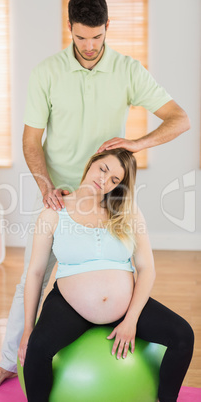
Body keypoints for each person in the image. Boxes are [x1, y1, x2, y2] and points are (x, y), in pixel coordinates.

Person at [0, 0, 190, 391]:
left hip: (108, 198)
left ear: (108, 27)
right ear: (69, 27)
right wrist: (44, 185)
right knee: (31, 281)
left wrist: (136, 142)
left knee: (125, 266)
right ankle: (10, 362)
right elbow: (30, 140)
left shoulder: (128, 70)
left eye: (96, 37)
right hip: (60, 200)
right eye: (80, 37)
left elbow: (180, 119)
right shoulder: (47, 72)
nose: (89, 45)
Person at [18, 148, 194, 402]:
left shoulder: (128, 211)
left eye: (115, 180)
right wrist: (27, 329)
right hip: (69, 305)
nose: (104, 180)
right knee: (37, 349)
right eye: (103, 169)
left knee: (182, 335)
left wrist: (131, 319)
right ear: (91, 164)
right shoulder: (54, 212)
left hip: (126, 306)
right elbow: (35, 273)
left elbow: (147, 268)